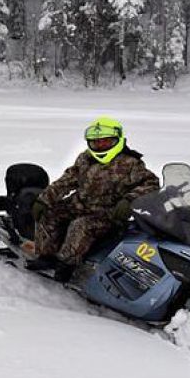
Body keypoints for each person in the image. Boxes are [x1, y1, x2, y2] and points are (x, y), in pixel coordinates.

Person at [26, 116, 160, 282]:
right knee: (50, 213)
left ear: (116, 140)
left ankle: (67, 264)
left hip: (108, 213)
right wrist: (44, 199)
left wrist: (129, 200)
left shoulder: (130, 163)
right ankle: (47, 256)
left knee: (80, 226)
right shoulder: (85, 158)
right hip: (80, 204)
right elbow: (67, 180)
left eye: (105, 142)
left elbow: (151, 183)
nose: (100, 146)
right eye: (96, 142)